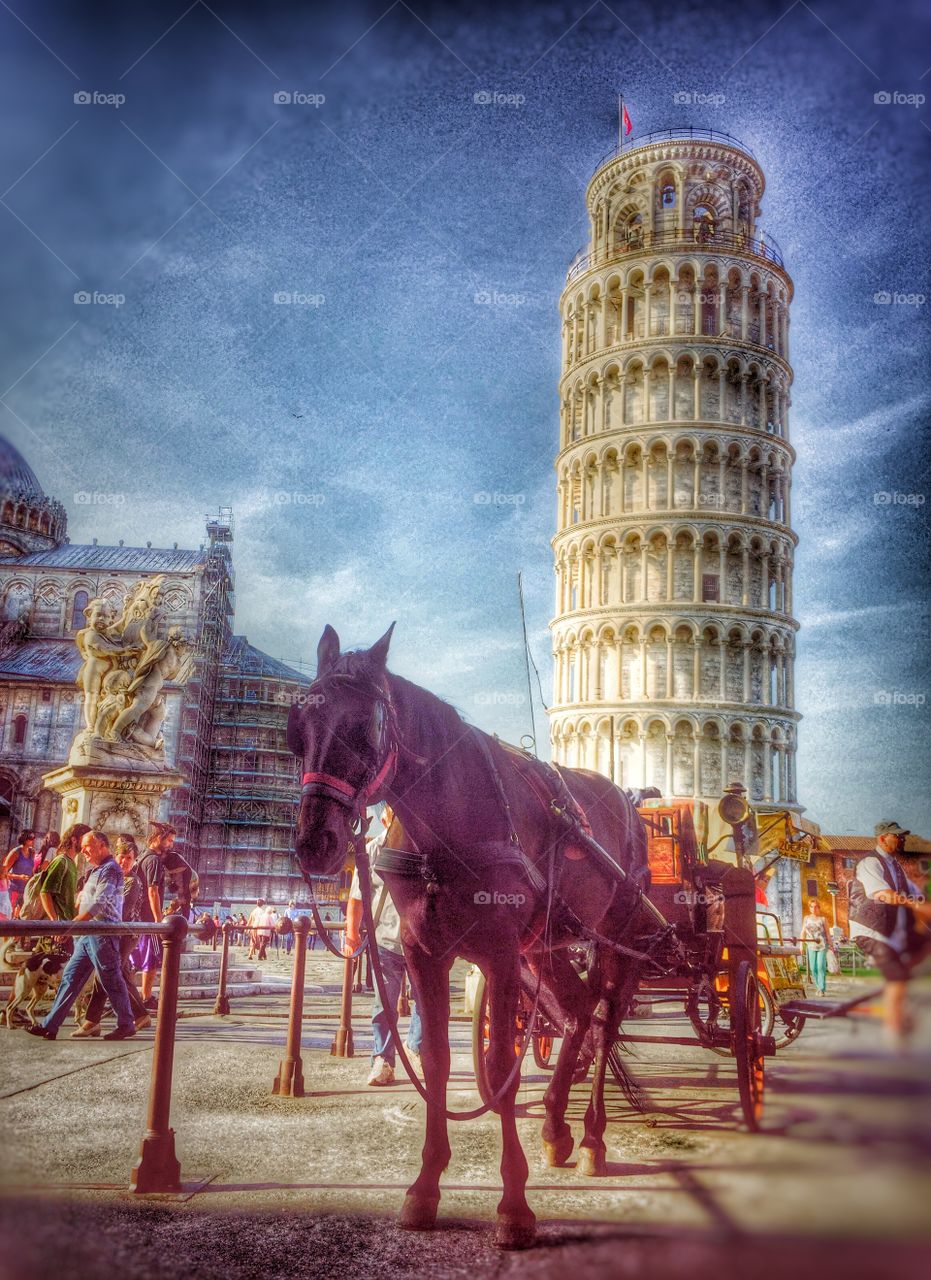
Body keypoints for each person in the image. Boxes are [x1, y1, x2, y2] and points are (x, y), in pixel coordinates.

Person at [27, 830, 137, 1042]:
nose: (83, 850)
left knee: (110, 978)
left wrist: (72, 925)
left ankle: (126, 1023)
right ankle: (50, 1025)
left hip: (102, 932)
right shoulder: (97, 870)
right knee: (70, 977)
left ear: (101, 846)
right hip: (88, 934)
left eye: (88, 846)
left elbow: (99, 903)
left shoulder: (111, 869)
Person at [345, 806, 423, 1086]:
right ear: (384, 819)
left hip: (420, 942)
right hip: (386, 939)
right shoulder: (372, 851)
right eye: (394, 813)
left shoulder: (423, 849)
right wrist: (351, 935)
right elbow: (356, 898)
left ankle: (416, 1046)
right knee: (385, 1004)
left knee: (425, 1002)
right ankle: (383, 1060)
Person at [850, 820, 931, 1045]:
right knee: (898, 977)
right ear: (882, 839)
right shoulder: (870, 862)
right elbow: (884, 894)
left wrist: (923, 906)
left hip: (893, 932)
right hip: (870, 931)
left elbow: (918, 896)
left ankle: (897, 982)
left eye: (902, 836)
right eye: (896, 836)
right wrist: (916, 905)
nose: (901, 839)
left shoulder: (897, 868)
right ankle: (893, 1033)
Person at [73, 834, 151, 1037]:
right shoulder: (112, 875)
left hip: (126, 934)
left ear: (134, 861)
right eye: (121, 857)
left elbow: (121, 911)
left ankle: (93, 1020)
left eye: (129, 858)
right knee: (118, 975)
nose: (124, 861)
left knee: (106, 973)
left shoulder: (132, 882)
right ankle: (140, 1015)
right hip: (113, 932)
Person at [134, 820, 176, 1010]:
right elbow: (153, 891)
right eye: (169, 840)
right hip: (148, 919)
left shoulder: (143, 856)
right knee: (150, 960)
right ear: (159, 838)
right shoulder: (154, 861)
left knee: (140, 958)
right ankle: (146, 997)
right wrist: (159, 921)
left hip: (139, 917)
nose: (171, 845)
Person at [800, 899, 835, 995]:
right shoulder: (806, 918)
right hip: (810, 946)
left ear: (819, 908)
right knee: (813, 968)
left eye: (815, 906)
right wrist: (801, 945)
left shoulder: (823, 919)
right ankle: (818, 986)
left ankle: (821, 989)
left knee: (820, 966)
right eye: (811, 906)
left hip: (822, 946)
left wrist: (831, 945)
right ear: (809, 908)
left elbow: (828, 934)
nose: (813, 909)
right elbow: (803, 931)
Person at [3, 830, 37, 914]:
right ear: (24, 839)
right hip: (13, 889)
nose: (33, 840)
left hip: (25, 890)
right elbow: (3, 873)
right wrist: (19, 877)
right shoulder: (15, 852)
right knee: (10, 915)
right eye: (31, 838)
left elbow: (31, 870)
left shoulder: (32, 852)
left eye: (34, 837)